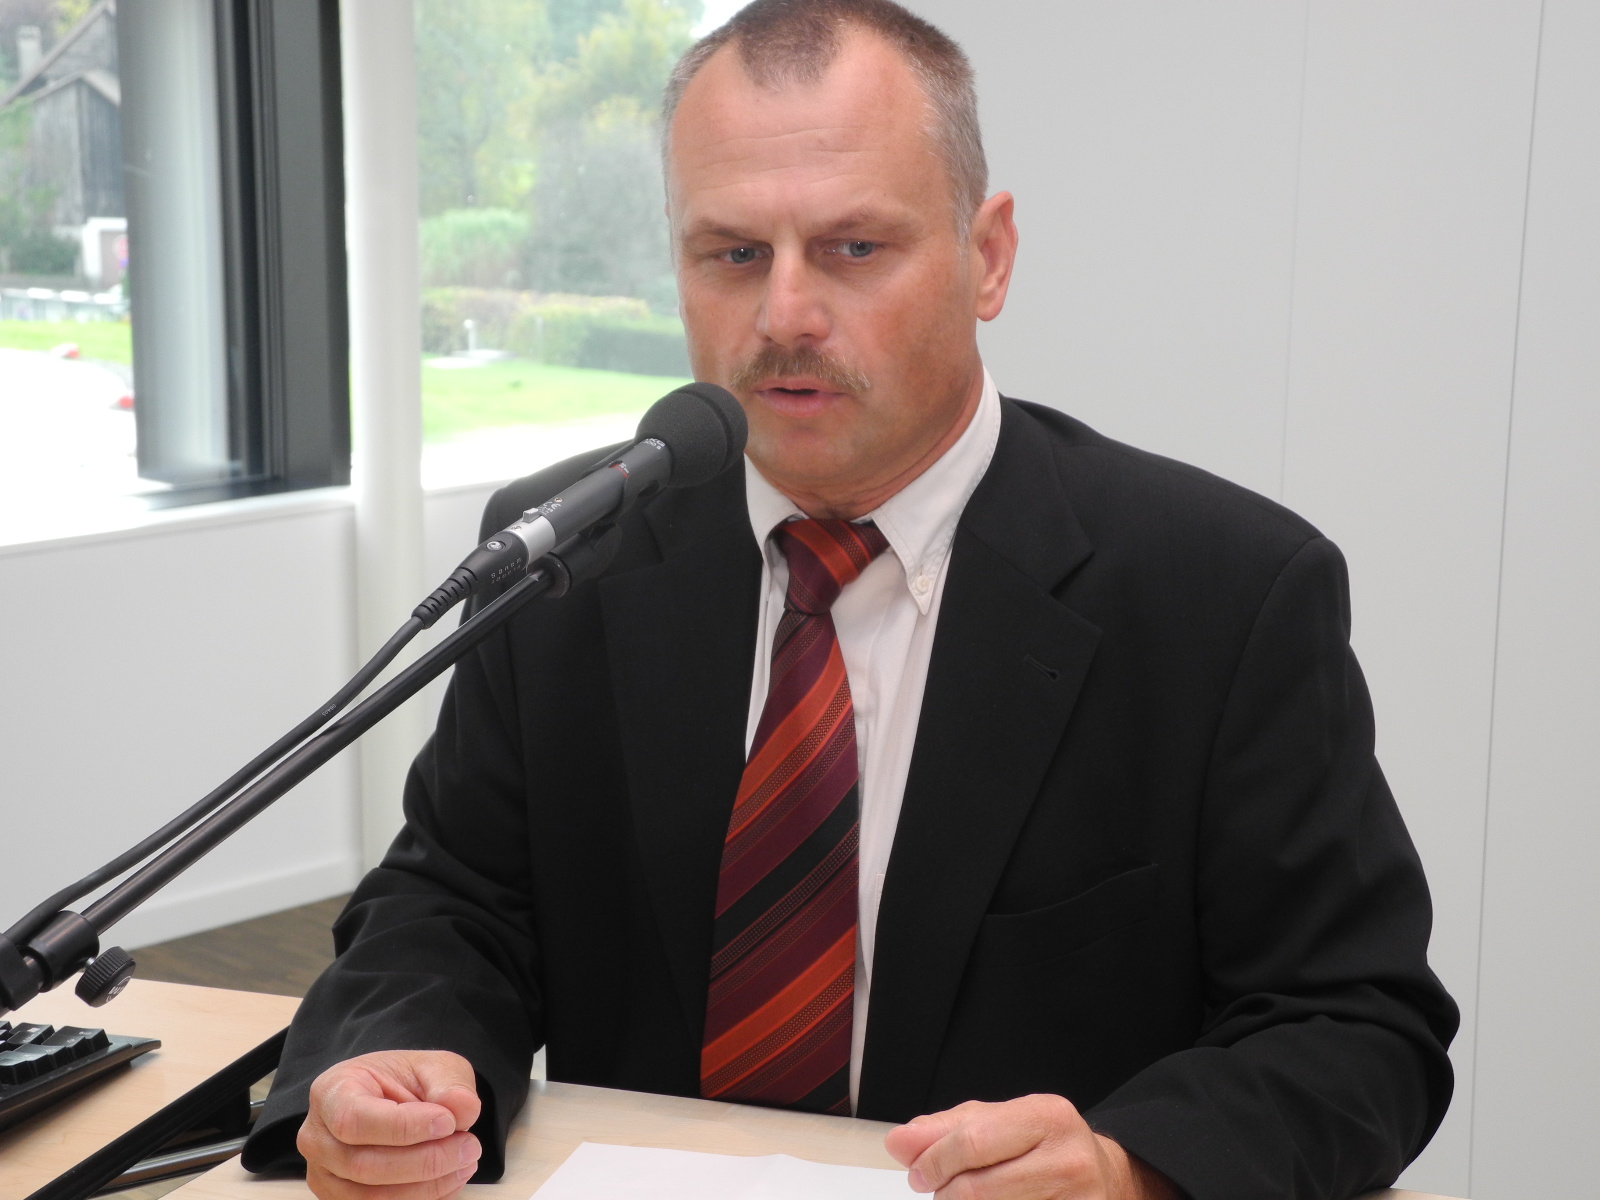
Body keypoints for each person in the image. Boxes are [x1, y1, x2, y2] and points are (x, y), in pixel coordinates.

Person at [242, 3, 1458, 1198]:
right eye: (732, 254)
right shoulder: (572, 553)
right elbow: (454, 902)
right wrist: (394, 1057)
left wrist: (1126, 1166)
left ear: (987, 257)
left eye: (853, 249)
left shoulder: (1222, 593)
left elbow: (1354, 1022)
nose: (783, 316)